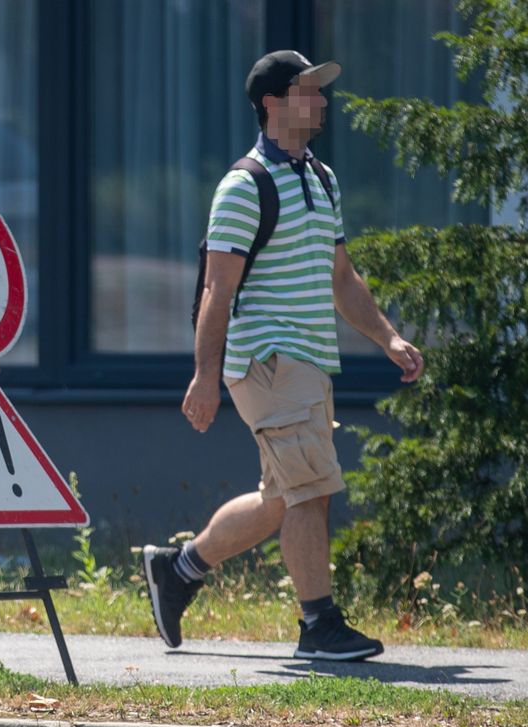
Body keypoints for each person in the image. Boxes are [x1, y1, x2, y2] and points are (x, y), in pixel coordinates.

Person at [142, 51, 424, 661]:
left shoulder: (322, 179)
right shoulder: (244, 187)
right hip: (267, 360)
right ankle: (318, 624)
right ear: (273, 104)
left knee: (285, 495)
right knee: (311, 490)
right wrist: (205, 377)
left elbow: (341, 278)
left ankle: (179, 569)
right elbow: (217, 290)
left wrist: (388, 337)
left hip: (311, 361)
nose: (321, 101)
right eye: (308, 91)